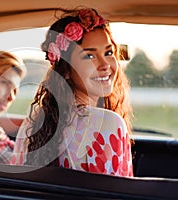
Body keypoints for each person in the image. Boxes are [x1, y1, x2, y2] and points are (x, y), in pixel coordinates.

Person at [13, 7, 134, 177]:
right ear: (67, 70)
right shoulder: (108, 124)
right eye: (89, 56)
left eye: (108, 52)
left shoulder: (33, 123)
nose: (105, 64)